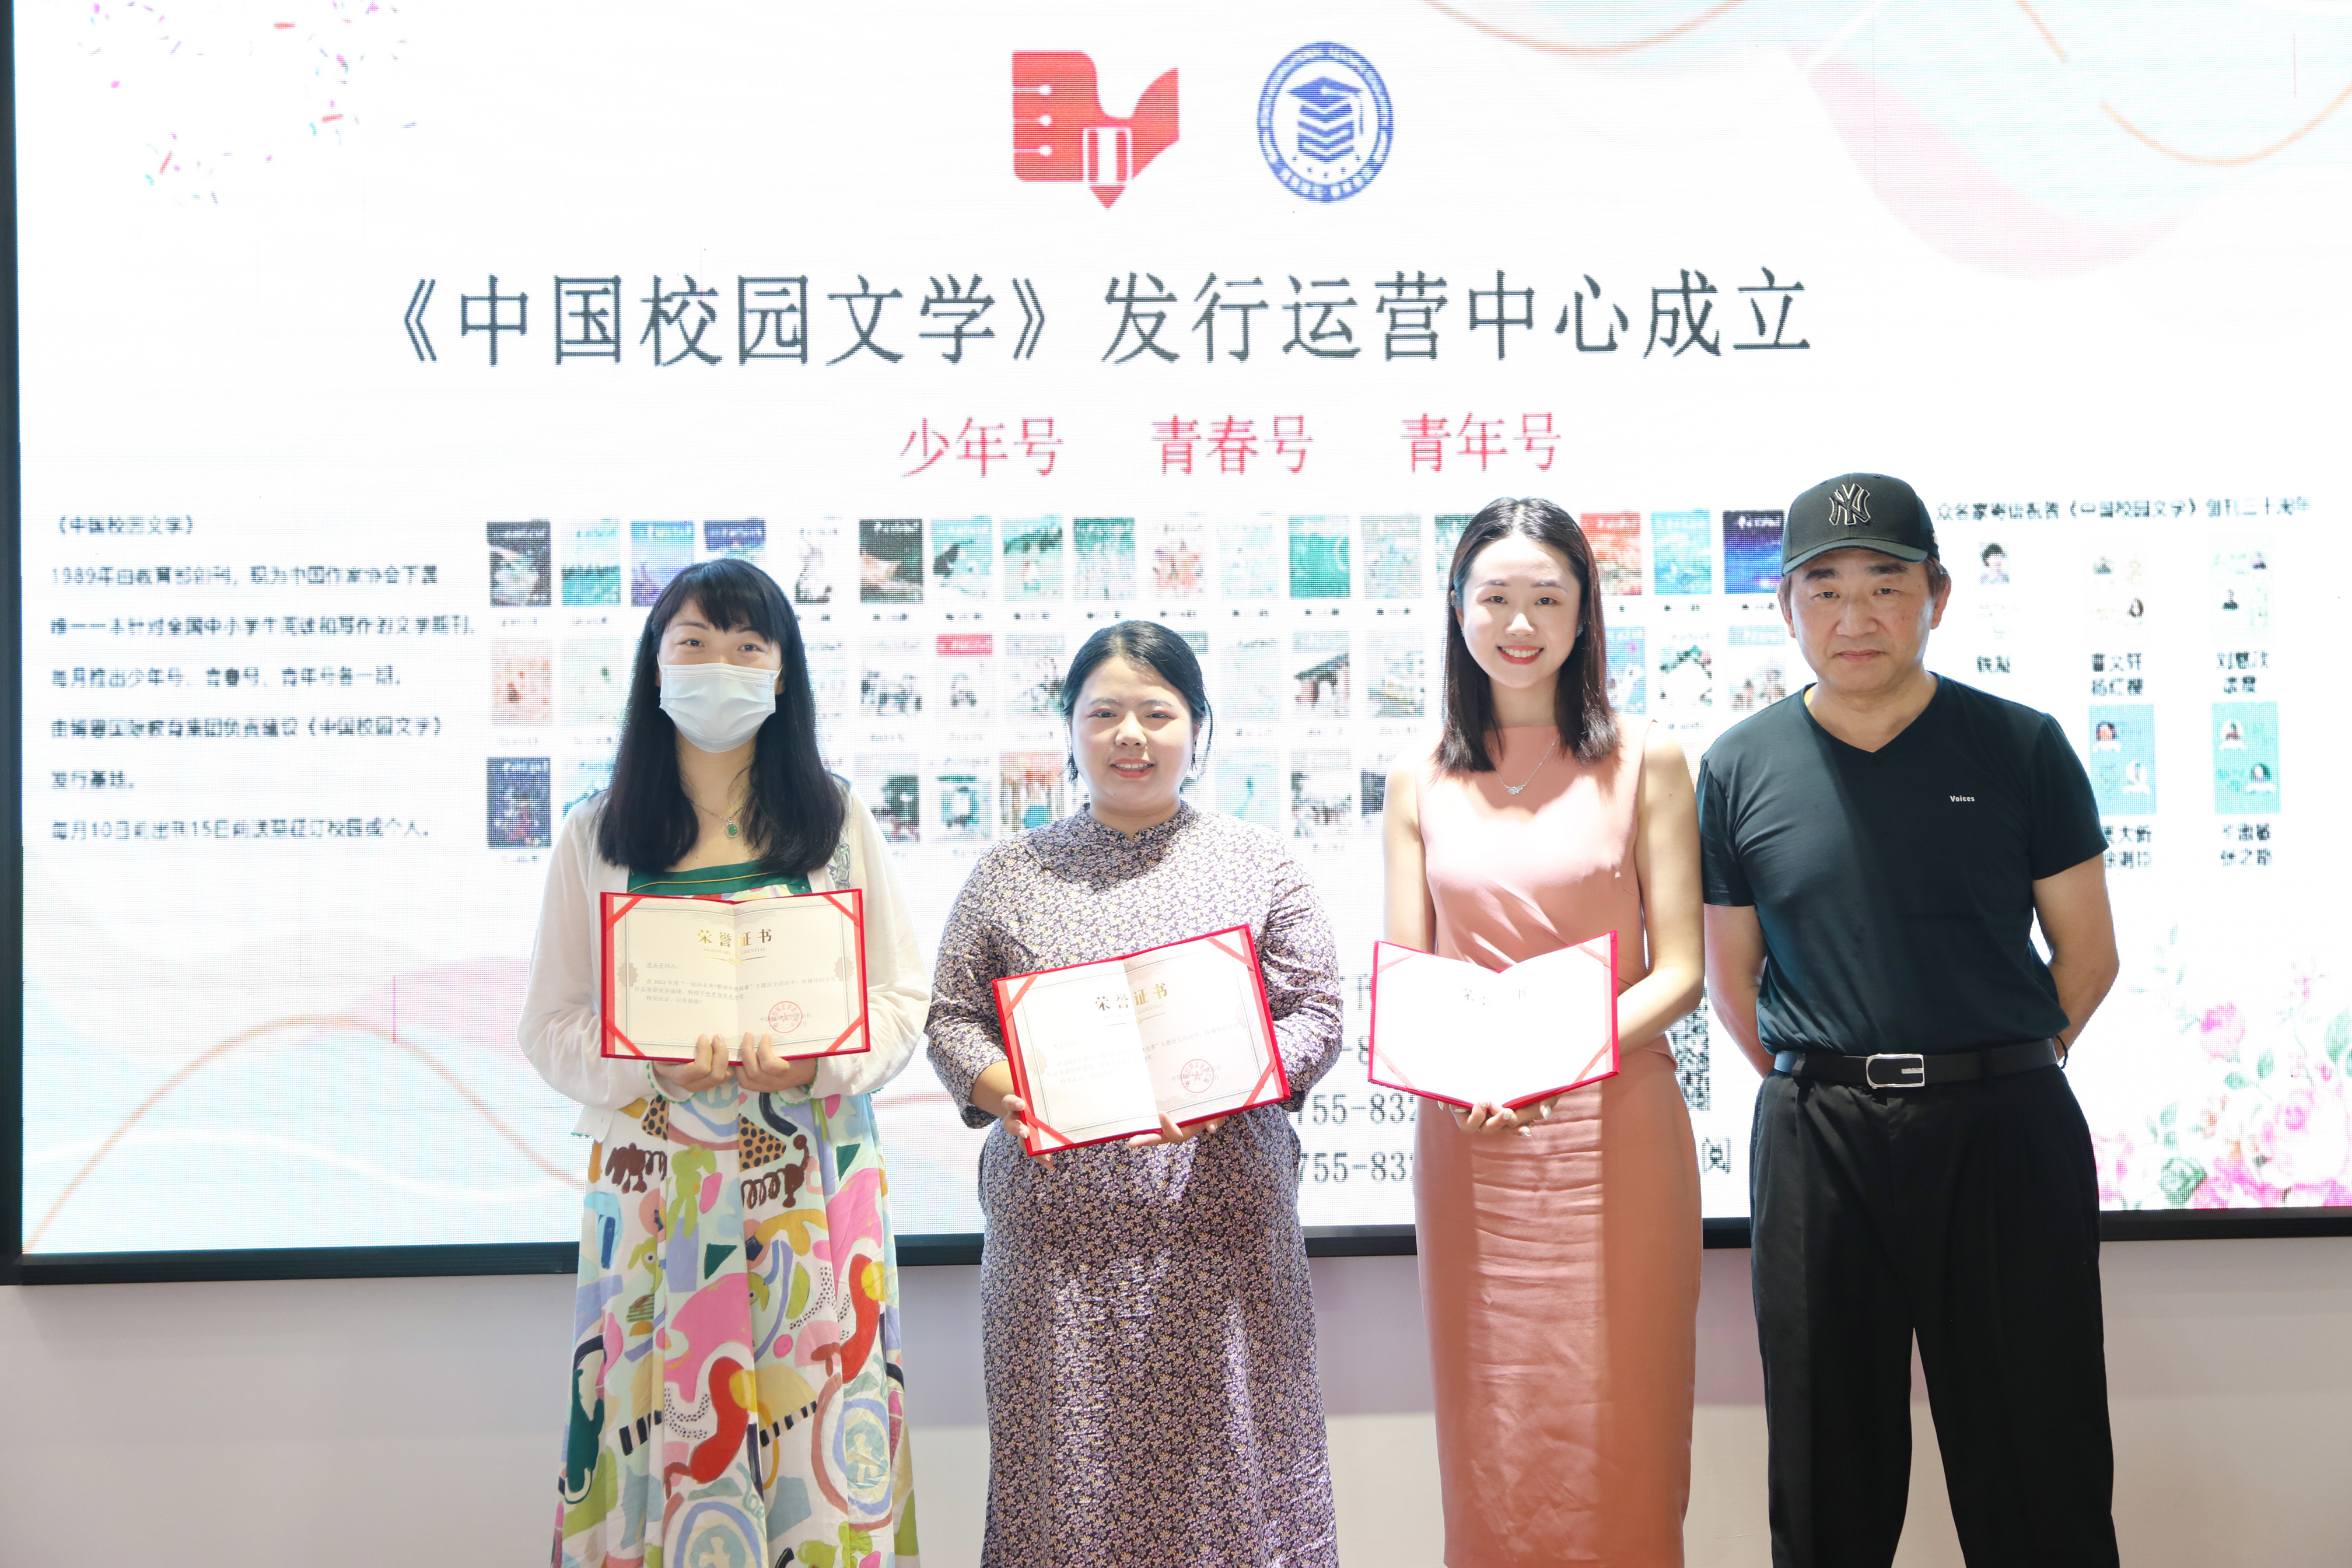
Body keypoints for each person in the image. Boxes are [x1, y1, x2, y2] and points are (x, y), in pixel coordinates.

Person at [1700, 473, 2122, 1567]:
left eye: (1886, 585)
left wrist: (1999, 1063)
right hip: (1820, 1141)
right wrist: (1832, 1075)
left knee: (2040, 1460)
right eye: (1825, 589)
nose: (1856, 616)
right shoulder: (1739, 765)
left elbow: (2089, 956)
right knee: (1824, 1467)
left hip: (2005, 1134)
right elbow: (1732, 982)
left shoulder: (2021, 746)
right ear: (1786, 607)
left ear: (1937, 596)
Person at [520, 559, 930, 1568]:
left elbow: (900, 999)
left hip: (812, 1179)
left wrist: (817, 1067)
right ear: (654, 667)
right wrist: (650, 1068)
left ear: (783, 674)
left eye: (749, 646)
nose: (721, 667)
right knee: (656, 1430)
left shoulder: (835, 819)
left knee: (818, 1440)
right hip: (656, 1189)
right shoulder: (596, 832)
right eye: (694, 644)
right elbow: (549, 1026)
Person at [926, 621, 1345, 1566]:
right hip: (1059, 1261)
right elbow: (952, 1020)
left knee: (1240, 1498)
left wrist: (1231, 1083)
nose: (1131, 735)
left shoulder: (1260, 862)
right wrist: (1012, 1089)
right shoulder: (1009, 873)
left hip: (1224, 1244)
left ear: (1197, 726)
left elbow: (1317, 1015)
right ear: (1070, 728)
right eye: (1104, 713)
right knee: (1065, 1502)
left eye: (1157, 713)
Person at [1384, 498, 1705, 1564]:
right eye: (1495, 599)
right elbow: (1412, 974)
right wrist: (1467, 1076)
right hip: (1473, 1136)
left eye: (1546, 600)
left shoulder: (1648, 758)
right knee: (1495, 1430)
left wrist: (1548, 1061)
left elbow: (1682, 972)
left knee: (1625, 1426)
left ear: (1583, 614)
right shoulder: (1418, 776)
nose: (1519, 624)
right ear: (1458, 610)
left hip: (1616, 1129)